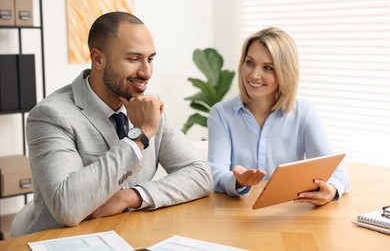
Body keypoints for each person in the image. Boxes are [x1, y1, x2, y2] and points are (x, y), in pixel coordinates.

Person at [24, 12, 212, 234]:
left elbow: (201, 174)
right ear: (98, 59)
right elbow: (68, 207)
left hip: (131, 236)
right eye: (133, 59)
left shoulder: (149, 105)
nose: (146, 72)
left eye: (150, 58)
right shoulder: (50, 115)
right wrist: (140, 136)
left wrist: (132, 196)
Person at [208, 27, 350, 206]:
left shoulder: (304, 112)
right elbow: (215, 172)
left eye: (267, 68)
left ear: (285, 72)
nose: (254, 75)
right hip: (237, 216)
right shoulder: (221, 114)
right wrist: (239, 181)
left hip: (288, 215)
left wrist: (331, 190)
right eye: (250, 63)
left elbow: (338, 172)